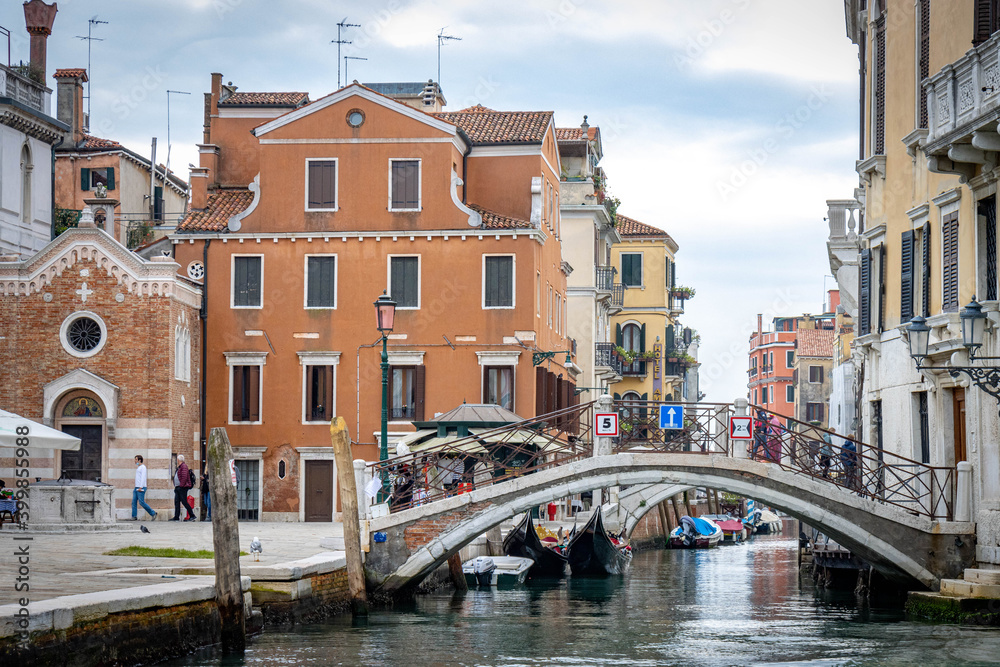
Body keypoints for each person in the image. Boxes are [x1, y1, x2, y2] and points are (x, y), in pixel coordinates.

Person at [131, 455, 157, 521]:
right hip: (136, 487)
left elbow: (143, 477)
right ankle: (134, 516)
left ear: (139, 460)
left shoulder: (143, 467)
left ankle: (153, 513)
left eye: (136, 459)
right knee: (134, 502)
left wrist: (141, 487)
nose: (135, 461)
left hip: (141, 487)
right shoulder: (139, 467)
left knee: (141, 502)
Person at [172, 454, 195, 521]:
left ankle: (192, 515)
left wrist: (181, 485)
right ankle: (176, 516)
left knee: (184, 502)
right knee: (177, 502)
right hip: (178, 487)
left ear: (178, 460)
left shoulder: (184, 466)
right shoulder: (180, 467)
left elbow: (184, 477)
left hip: (182, 488)